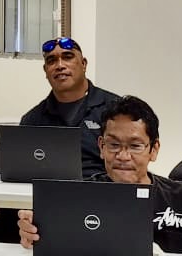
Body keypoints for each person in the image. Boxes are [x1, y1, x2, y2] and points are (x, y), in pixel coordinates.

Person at [17, 95, 182, 254]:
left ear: (153, 149)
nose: (123, 156)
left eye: (135, 146)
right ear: (101, 147)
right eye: (113, 145)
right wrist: (34, 231)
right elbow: (51, 248)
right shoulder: (76, 197)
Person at [19, 37, 120, 178]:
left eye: (67, 57)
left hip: (105, 193)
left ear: (83, 64)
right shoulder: (33, 120)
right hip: (52, 195)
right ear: (45, 70)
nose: (59, 65)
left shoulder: (116, 110)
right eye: (51, 61)